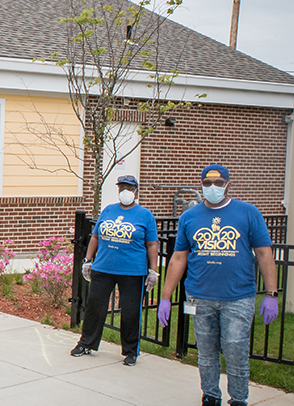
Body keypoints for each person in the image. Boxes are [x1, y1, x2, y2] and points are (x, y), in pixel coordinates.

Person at [158, 164, 279, 406]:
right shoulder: (189, 217)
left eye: (218, 183)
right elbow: (179, 257)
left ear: (228, 185)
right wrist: (164, 297)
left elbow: (264, 253)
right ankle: (211, 395)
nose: (212, 188)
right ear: (201, 185)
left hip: (238, 298)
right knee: (206, 353)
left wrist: (271, 293)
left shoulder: (247, 212)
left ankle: (238, 399)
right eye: (207, 183)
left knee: (235, 353)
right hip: (199, 296)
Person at [70, 174, 159, 366]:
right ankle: (86, 343)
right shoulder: (108, 210)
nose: (125, 191)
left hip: (132, 271)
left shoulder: (145, 215)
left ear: (135, 190)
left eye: (129, 187)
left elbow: (152, 244)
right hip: (104, 267)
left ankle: (130, 352)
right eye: (121, 187)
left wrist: (153, 270)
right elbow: (95, 237)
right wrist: (88, 260)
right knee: (95, 307)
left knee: (130, 312)